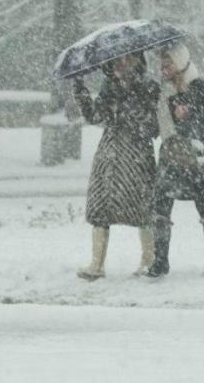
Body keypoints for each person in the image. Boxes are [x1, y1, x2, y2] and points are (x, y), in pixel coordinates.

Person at [74, 52, 160, 280]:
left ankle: (148, 260)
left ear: (139, 61)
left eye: (128, 59)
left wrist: (132, 105)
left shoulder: (149, 87)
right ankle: (97, 264)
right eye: (117, 60)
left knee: (143, 208)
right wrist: (81, 90)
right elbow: (95, 117)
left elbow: (154, 127)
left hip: (137, 156)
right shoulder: (109, 86)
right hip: (109, 155)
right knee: (100, 208)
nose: (122, 64)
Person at [147, 42, 204, 276]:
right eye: (161, 61)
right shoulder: (163, 90)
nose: (163, 66)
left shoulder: (198, 86)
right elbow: (155, 127)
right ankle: (160, 261)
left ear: (179, 61)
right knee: (161, 206)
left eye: (167, 61)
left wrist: (185, 115)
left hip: (194, 154)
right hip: (170, 152)